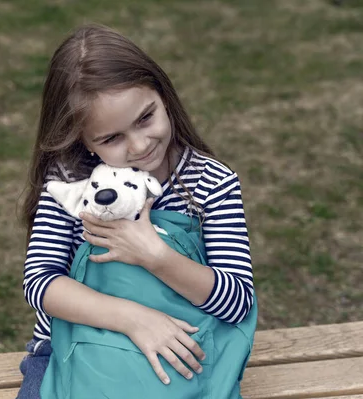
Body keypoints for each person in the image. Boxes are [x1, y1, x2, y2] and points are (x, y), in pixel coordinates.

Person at [17, 23, 254, 398]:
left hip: (180, 356)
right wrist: (133, 319)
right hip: (70, 350)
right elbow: (41, 283)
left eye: (146, 118)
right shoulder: (68, 182)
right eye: (112, 138)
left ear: (164, 96)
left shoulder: (211, 182)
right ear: (83, 140)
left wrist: (155, 256)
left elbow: (237, 302)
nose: (141, 145)